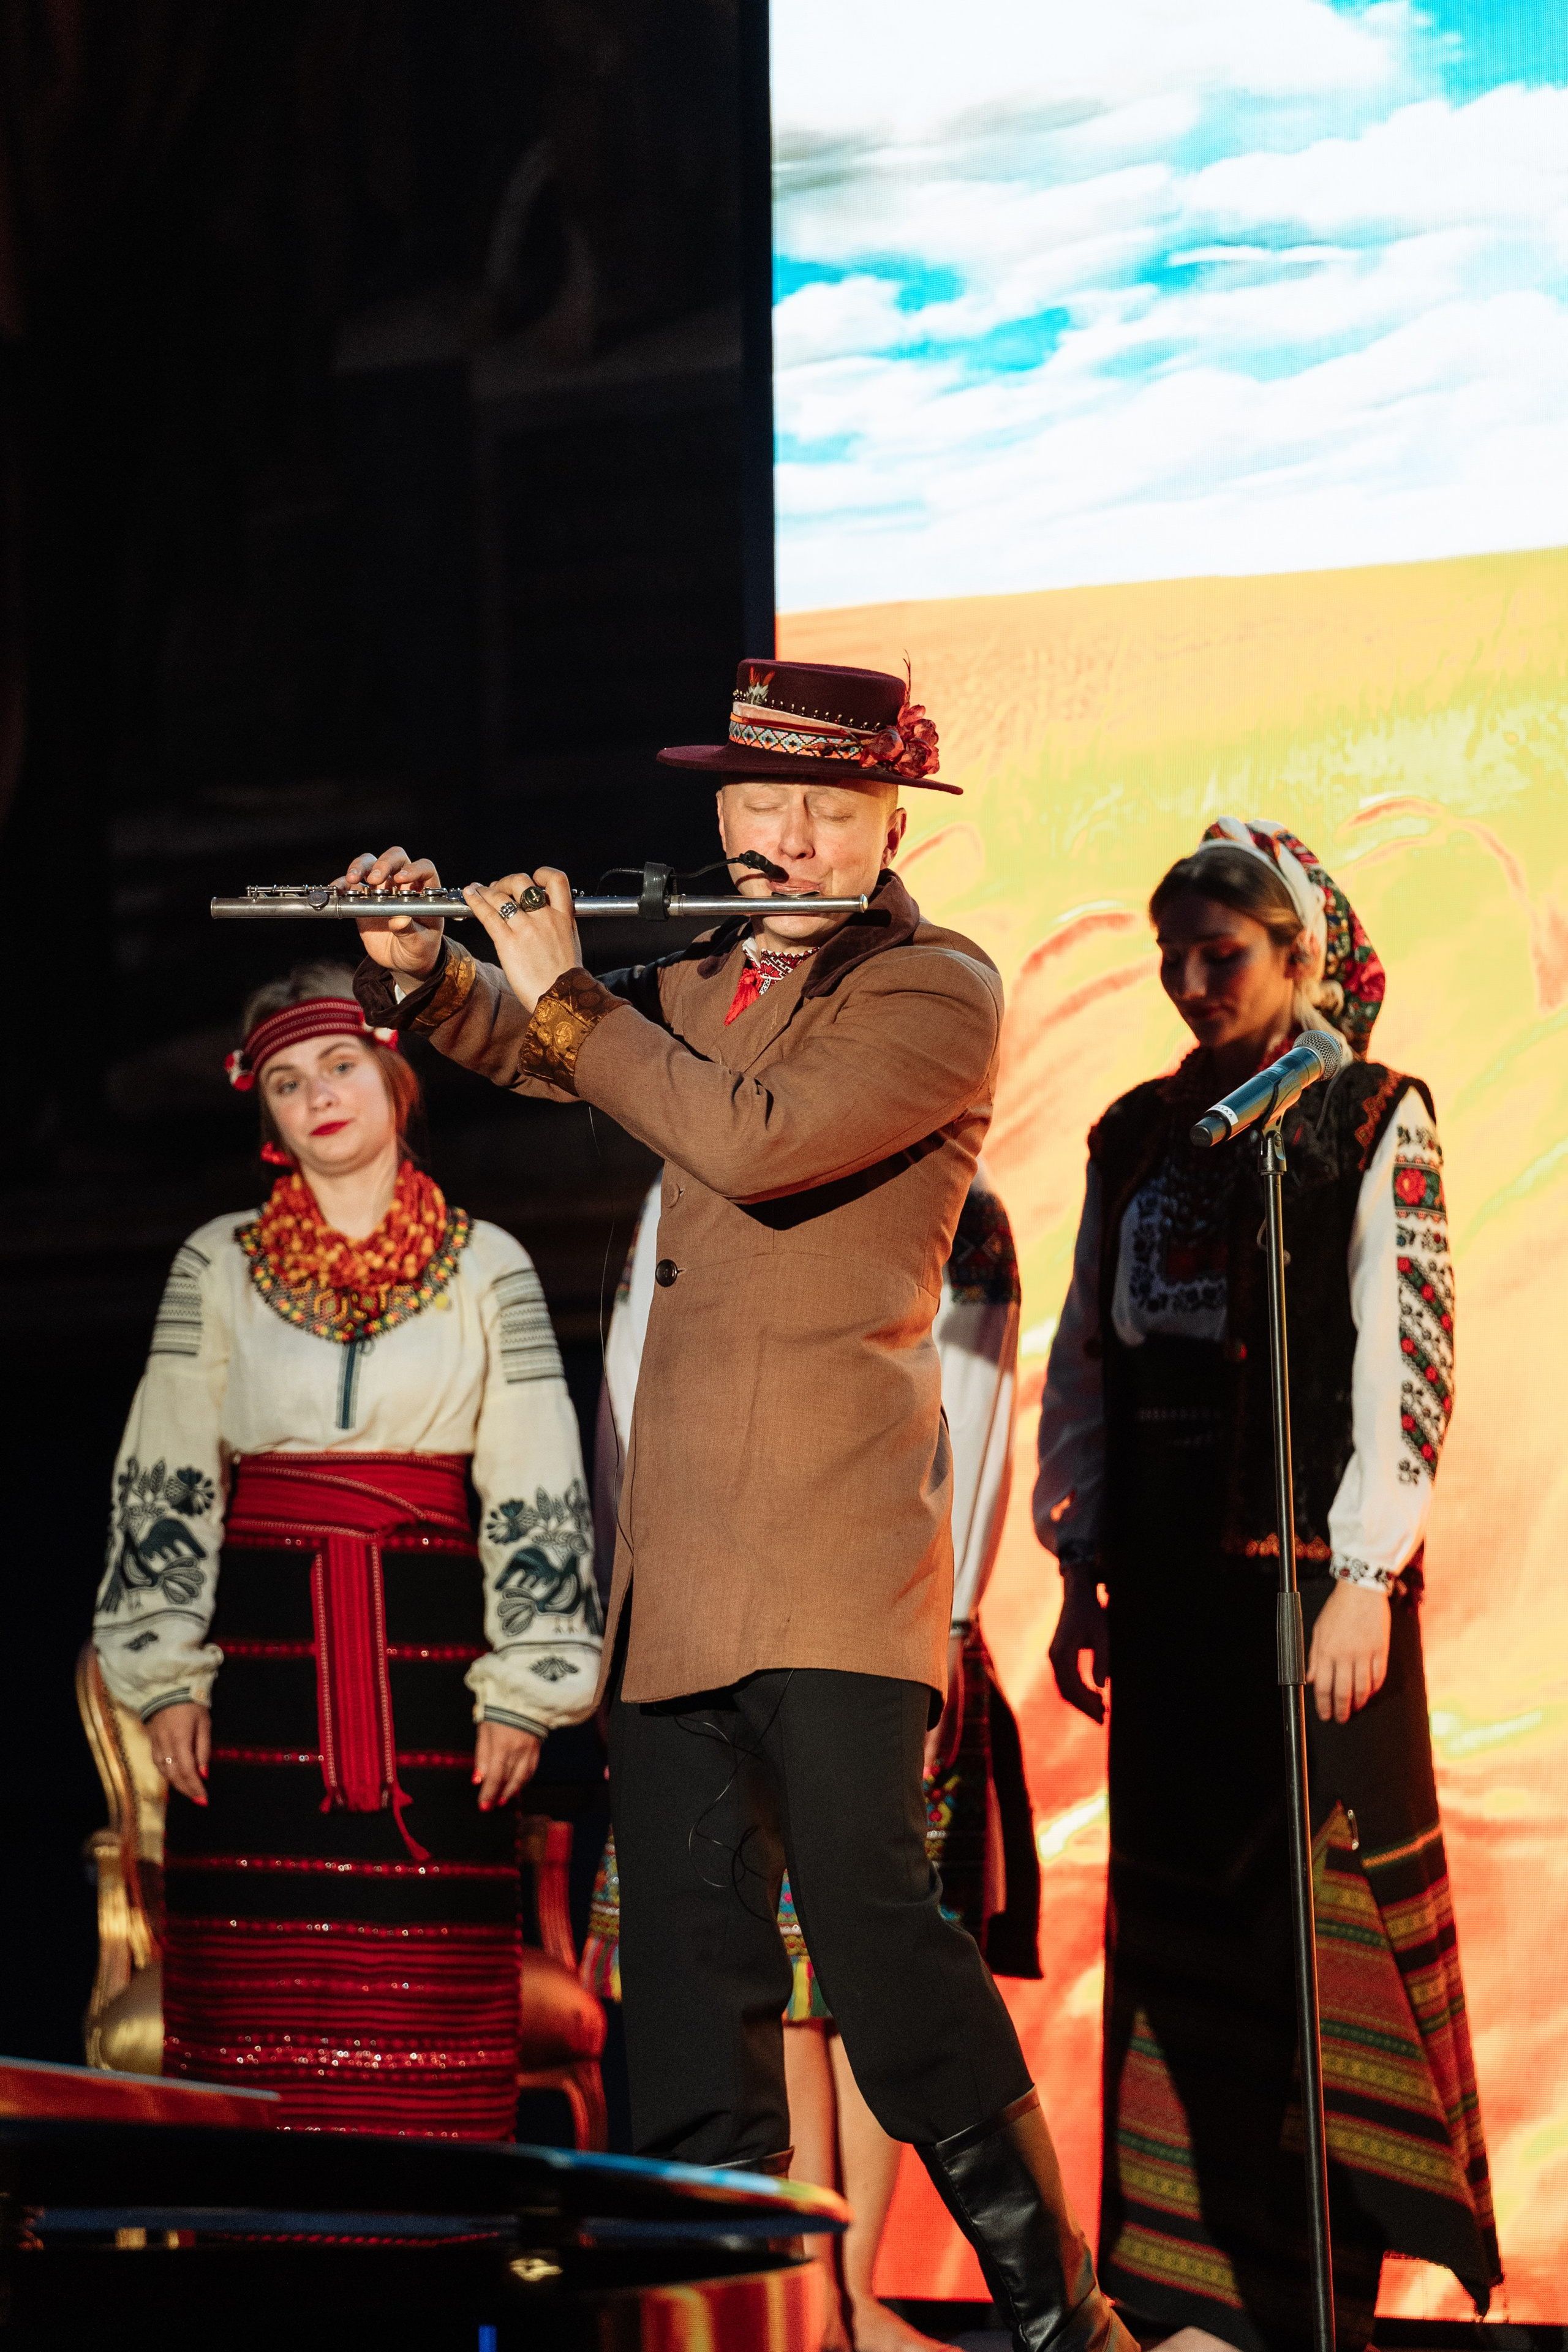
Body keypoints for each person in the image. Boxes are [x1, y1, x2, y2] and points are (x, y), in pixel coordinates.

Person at [346, 657, 1132, 2352]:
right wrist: (430, 978)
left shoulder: (936, 991)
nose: (775, 839)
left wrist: (561, 991)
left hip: (840, 1567)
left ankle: (1059, 2317)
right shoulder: (702, 975)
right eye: (752, 803)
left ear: (884, 824)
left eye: (819, 809)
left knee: (871, 1936)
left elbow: (744, 1138)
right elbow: (558, 1058)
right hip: (684, 1573)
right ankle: (741, 2327)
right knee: (692, 1996)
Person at [1033, 819, 1500, 2351]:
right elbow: (1087, 1362)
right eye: (1169, 955)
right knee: (1183, 1945)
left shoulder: (1370, 1118)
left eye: (1217, 955)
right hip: (1173, 1611)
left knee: (1317, 1942)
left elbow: (1406, 1347)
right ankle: (1188, 2300)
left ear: (1297, 958)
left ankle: (1311, 2308)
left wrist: (1370, 1570)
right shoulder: (1131, 1135)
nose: (1185, 982)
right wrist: (1081, 1568)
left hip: (1313, 1603)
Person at [92, 965, 600, 2134]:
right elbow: (161, 1475)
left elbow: (536, 1481)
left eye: (337, 1065)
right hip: (261, 1682)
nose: (316, 1096)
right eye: (283, 1081)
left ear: (394, 1074)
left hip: (431, 1679)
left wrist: (526, 1692)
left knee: (421, 2017)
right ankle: (265, 2285)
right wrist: (163, 1671)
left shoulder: (489, 1266)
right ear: (261, 1110)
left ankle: (430, 2278)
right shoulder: (215, 1264)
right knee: (262, 2028)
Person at [579, 1165, 1039, 2351]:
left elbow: (973, 1416)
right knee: (750, 1962)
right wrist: (627, 1604)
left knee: (862, 1968)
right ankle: (784, 2289)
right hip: (707, 1616)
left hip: (867, 1619)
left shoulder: (950, 1196)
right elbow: (631, 1389)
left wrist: (942, 1620)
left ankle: (851, 2293)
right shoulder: (683, 1186)